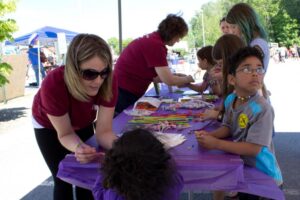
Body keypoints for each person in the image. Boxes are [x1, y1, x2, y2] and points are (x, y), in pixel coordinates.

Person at [32, 34, 118, 200]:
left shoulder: (109, 81)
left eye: (104, 72)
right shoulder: (53, 83)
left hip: (83, 119)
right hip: (48, 126)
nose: (98, 81)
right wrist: (79, 147)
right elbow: (64, 134)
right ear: (72, 68)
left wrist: (125, 149)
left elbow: (104, 132)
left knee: (86, 177)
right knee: (62, 178)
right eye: (89, 74)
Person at [195, 47, 283, 200]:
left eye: (259, 68)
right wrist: (209, 135)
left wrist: (215, 143)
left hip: (264, 177)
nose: (255, 73)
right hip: (244, 170)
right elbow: (228, 127)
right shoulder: (231, 100)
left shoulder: (262, 109)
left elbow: (253, 149)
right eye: (247, 69)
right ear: (232, 79)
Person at [114, 14, 194, 115]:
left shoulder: (153, 40)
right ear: (172, 33)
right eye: (179, 37)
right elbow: (168, 80)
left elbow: (156, 77)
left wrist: (176, 76)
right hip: (123, 92)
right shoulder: (155, 45)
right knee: (122, 123)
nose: (178, 40)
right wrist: (188, 78)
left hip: (123, 89)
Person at [93, 128, 183, 200]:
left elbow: (98, 191)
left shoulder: (115, 194)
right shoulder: (171, 185)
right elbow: (178, 178)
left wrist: (105, 167)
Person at [226, 2, 270, 72]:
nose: (231, 32)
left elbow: (248, 72)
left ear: (244, 23)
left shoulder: (257, 44)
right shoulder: (255, 43)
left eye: (233, 27)